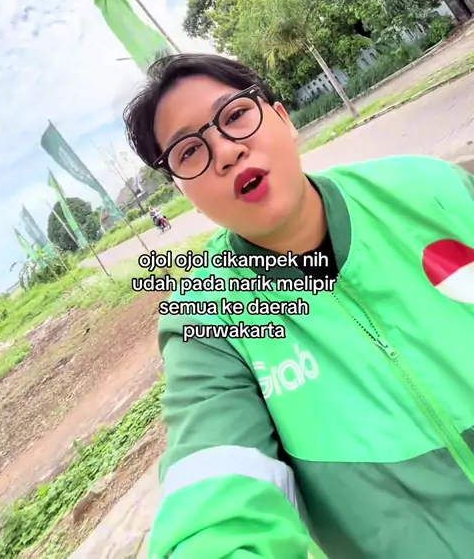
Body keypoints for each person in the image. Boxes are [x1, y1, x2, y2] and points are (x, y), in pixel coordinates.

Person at [123, 52, 474, 559]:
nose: (225, 152)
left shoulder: (430, 190)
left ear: (283, 118)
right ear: (182, 191)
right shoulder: (208, 318)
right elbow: (217, 496)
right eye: (189, 151)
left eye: (235, 115)